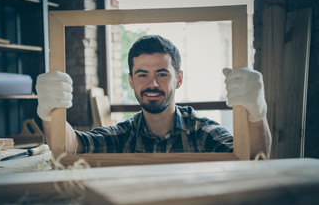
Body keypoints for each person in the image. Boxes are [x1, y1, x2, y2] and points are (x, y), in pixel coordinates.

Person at [36, 35, 271, 159]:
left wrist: (256, 113)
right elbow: (70, 148)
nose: (152, 84)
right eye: (142, 74)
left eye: (162, 74)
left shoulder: (203, 132)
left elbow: (254, 158)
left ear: (178, 79)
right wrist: (50, 113)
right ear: (131, 81)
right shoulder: (122, 136)